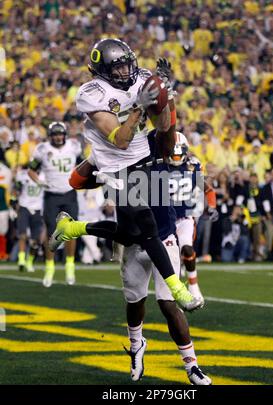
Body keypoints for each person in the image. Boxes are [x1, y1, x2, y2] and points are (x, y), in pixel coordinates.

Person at [50, 39, 201, 311]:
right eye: (118, 67)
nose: (126, 71)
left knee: (129, 235)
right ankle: (180, 290)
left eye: (127, 64)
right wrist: (140, 106)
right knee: (149, 226)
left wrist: (164, 98)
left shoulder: (142, 78)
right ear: (102, 70)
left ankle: (71, 228)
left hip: (144, 160)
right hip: (114, 167)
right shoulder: (91, 92)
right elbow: (120, 140)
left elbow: (164, 126)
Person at [121, 130, 211, 385]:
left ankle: (192, 365)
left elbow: (166, 125)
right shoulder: (120, 165)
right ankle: (136, 345)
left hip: (164, 238)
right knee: (135, 300)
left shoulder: (165, 164)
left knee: (167, 302)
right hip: (135, 243)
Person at [28, 121, 82, 287]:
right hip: (51, 195)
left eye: (60, 134)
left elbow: (82, 165)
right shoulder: (42, 149)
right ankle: (49, 268)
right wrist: (39, 182)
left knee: (71, 232)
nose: (58, 137)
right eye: (55, 134)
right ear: (50, 136)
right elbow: (31, 170)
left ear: (64, 134)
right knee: (52, 234)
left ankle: (69, 266)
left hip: (69, 193)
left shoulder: (74, 146)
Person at [168, 131, 218, 301]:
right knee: (168, 258)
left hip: (184, 217)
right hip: (164, 218)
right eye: (172, 154)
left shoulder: (193, 165)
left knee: (187, 249)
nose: (175, 158)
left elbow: (208, 189)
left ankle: (194, 285)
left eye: (178, 154)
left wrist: (211, 206)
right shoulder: (158, 164)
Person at [14, 166, 44, 272]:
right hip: (24, 207)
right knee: (22, 235)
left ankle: (29, 261)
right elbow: (16, 190)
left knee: (35, 240)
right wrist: (15, 197)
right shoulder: (23, 174)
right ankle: (21, 260)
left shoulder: (45, 175)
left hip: (38, 209)